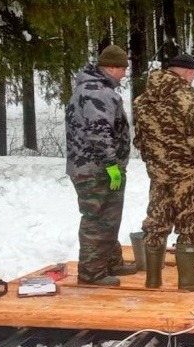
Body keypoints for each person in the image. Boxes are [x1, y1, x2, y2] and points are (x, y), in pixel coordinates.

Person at [132, 53, 194, 291]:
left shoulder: (142, 100)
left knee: (156, 220)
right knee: (189, 221)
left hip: (158, 173)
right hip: (188, 173)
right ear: (188, 73)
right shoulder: (187, 99)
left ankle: (153, 279)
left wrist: (155, 162)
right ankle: (189, 279)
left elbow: (139, 139)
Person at [65, 44, 136, 287]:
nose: (124, 74)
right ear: (111, 68)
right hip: (95, 169)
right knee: (98, 219)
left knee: (109, 216)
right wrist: (111, 165)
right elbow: (99, 132)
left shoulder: (98, 89)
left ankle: (110, 262)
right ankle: (91, 272)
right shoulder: (97, 92)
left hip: (96, 167)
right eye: (122, 69)